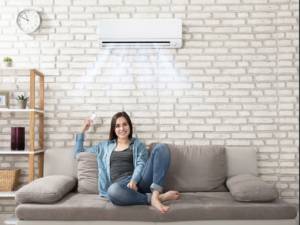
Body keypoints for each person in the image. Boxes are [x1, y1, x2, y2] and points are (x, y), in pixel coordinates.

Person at [74, 111, 180, 213]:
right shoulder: (104, 146)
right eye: (118, 126)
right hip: (121, 188)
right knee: (112, 191)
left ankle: (156, 195)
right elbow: (79, 153)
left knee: (161, 148)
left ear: (130, 126)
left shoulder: (138, 145)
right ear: (113, 129)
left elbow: (141, 164)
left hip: (140, 182)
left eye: (125, 124)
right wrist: (83, 129)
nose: (122, 128)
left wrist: (134, 180)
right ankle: (155, 198)